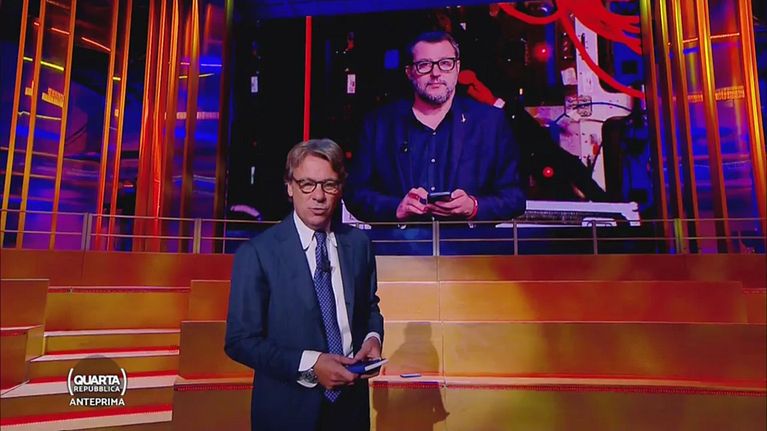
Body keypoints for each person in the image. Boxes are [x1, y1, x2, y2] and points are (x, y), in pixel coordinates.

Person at [225, 139, 384, 431]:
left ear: (340, 188)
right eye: (307, 184)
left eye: (329, 185)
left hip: (351, 409)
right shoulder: (258, 253)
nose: (318, 196)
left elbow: (370, 307)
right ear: (290, 187)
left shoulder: (359, 245)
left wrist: (372, 338)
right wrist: (311, 364)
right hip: (287, 412)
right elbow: (240, 341)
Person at [345, 31, 525, 222]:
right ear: (409, 72)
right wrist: (396, 208)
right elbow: (355, 194)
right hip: (401, 240)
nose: (436, 73)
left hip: (468, 240)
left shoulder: (490, 122)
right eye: (424, 65)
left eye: (445, 63)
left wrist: (473, 207)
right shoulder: (379, 124)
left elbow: (515, 198)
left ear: (457, 68)